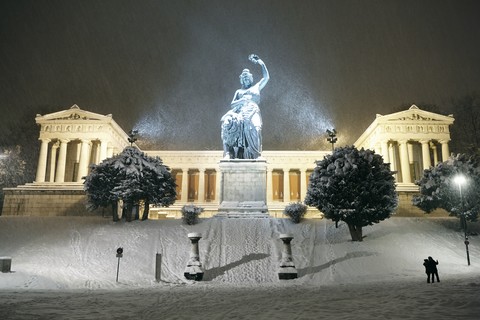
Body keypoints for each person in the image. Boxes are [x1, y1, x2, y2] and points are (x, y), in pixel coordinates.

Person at [221, 54, 270, 159]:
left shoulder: (256, 87)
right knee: (229, 124)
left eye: (247, 78)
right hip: (241, 113)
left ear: (251, 79)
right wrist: (241, 100)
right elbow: (232, 104)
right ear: (242, 80)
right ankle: (230, 152)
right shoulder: (239, 92)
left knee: (256, 129)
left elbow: (266, 77)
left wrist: (261, 63)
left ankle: (256, 154)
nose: (246, 79)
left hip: (253, 111)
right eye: (244, 78)